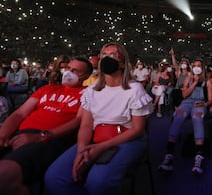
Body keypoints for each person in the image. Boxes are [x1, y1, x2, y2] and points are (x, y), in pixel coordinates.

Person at [45, 43, 152, 195]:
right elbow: (86, 125)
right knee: (54, 178)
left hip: (127, 139)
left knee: (98, 182)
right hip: (96, 138)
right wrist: (81, 149)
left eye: (113, 55)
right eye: (104, 55)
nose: (107, 58)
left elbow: (137, 129)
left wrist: (101, 148)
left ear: (122, 62)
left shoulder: (134, 89)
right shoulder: (91, 91)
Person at [0, 57, 92, 195]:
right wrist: (3, 134)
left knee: (4, 175)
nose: (68, 73)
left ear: (86, 76)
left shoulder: (88, 93)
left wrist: (40, 137)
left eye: (75, 71)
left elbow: (78, 121)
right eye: (67, 68)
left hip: (50, 140)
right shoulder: (48, 88)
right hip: (20, 134)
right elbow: (19, 114)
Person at [159, 59, 209, 175]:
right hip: (186, 103)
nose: (196, 67)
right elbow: (184, 94)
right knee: (178, 117)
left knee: (197, 118)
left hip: (199, 104)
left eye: (199, 66)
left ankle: (199, 157)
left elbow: (210, 99)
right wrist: (194, 83)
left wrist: (204, 104)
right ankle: (169, 155)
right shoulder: (188, 78)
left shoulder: (208, 81)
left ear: (202, 68)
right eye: (195, 65)